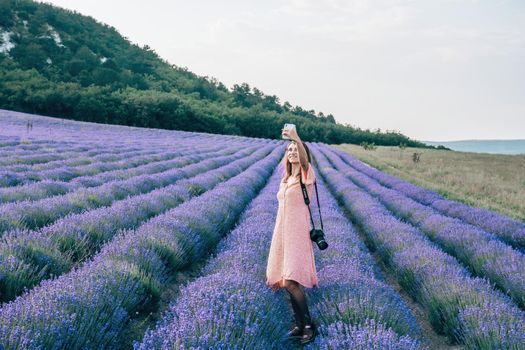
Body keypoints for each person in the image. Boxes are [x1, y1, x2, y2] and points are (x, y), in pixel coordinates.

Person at [266, 126, 319, 345]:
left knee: (290, 281)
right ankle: (298, 324)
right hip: (283, 234)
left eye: (296, 150)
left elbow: (305, 161)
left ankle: (308, 326)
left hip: (297, 235)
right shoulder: (286, 179)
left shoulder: (306, 176)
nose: (292, 152)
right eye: (289, 150)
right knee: (286, 280)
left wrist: (296, 138)